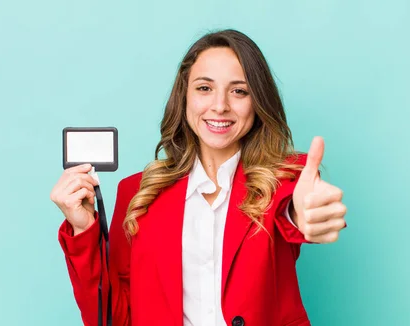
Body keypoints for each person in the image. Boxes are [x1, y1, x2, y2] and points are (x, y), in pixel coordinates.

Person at [50, 29, 347, 326]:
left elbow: (293, 209)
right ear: (185, 96)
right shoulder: (138, 193)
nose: (220, 106)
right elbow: (113, 319)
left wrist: (305, 213)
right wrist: (84, 229)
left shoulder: (286, 179)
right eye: (204, 88)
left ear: (257, 103)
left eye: (239, 91)